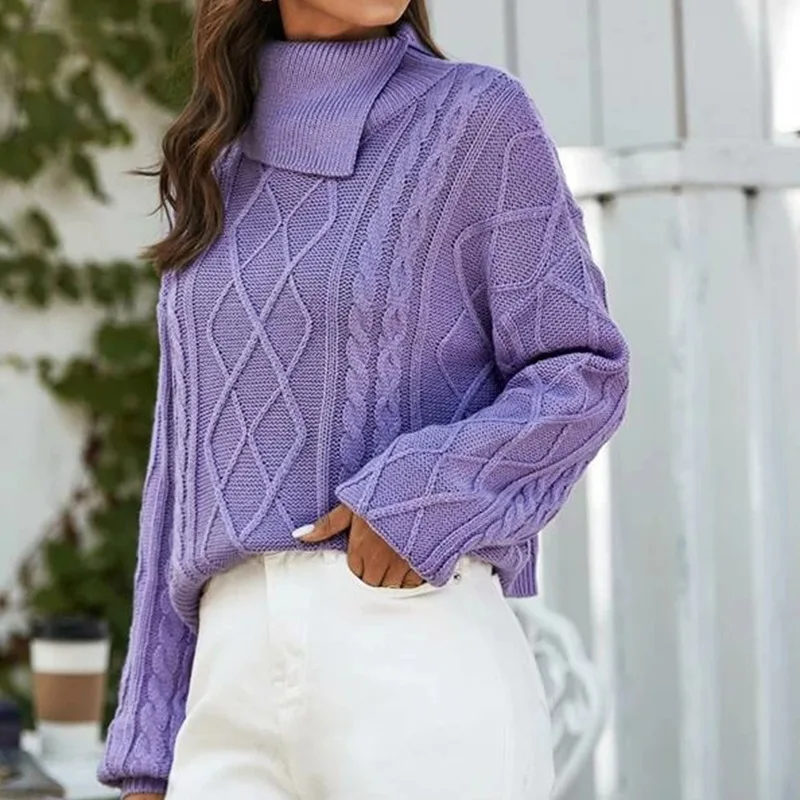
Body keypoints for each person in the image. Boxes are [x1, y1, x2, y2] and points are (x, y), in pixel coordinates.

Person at [97, 0, 630, 798]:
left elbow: (582, 368)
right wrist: (147, 749)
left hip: (410, 653)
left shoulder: (477, 119)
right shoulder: (215, 156)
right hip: (226, 676)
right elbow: (179, 475)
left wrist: (425, 495)